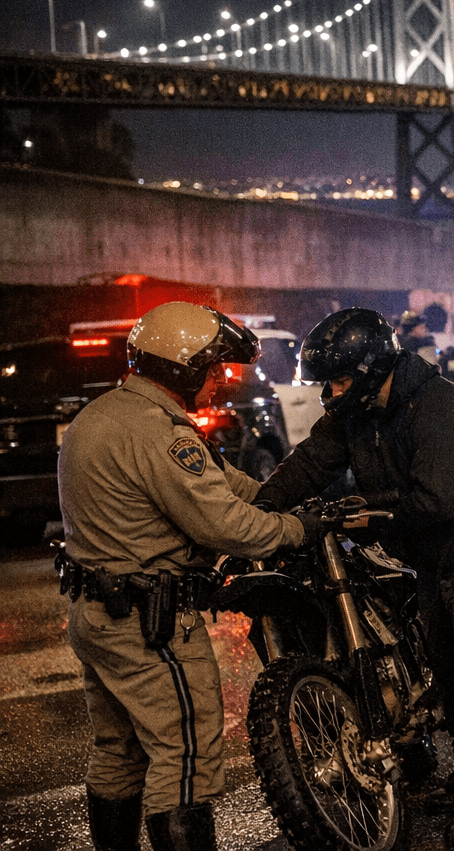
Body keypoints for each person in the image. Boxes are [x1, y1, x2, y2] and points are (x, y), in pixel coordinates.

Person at [255, 308, 454, 846]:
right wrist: (261, 509)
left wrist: (354, 508)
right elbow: (311, 461)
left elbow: (435, 500)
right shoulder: (360, 411)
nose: (331, 392)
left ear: (370, 369)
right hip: (439, 559)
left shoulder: (438, 406)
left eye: (340, 379)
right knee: (449, 668)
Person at [57, 303, 316, 851]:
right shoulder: (157, 433)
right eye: (214, 366)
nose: (221, 378)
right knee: (186, 754)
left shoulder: (100, 416)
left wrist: (287, 498)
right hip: (151, 626)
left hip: (96, 615)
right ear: (183, 366)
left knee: (117, 751)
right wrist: (298, 530)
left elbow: (227, 485)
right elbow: (223, 522)